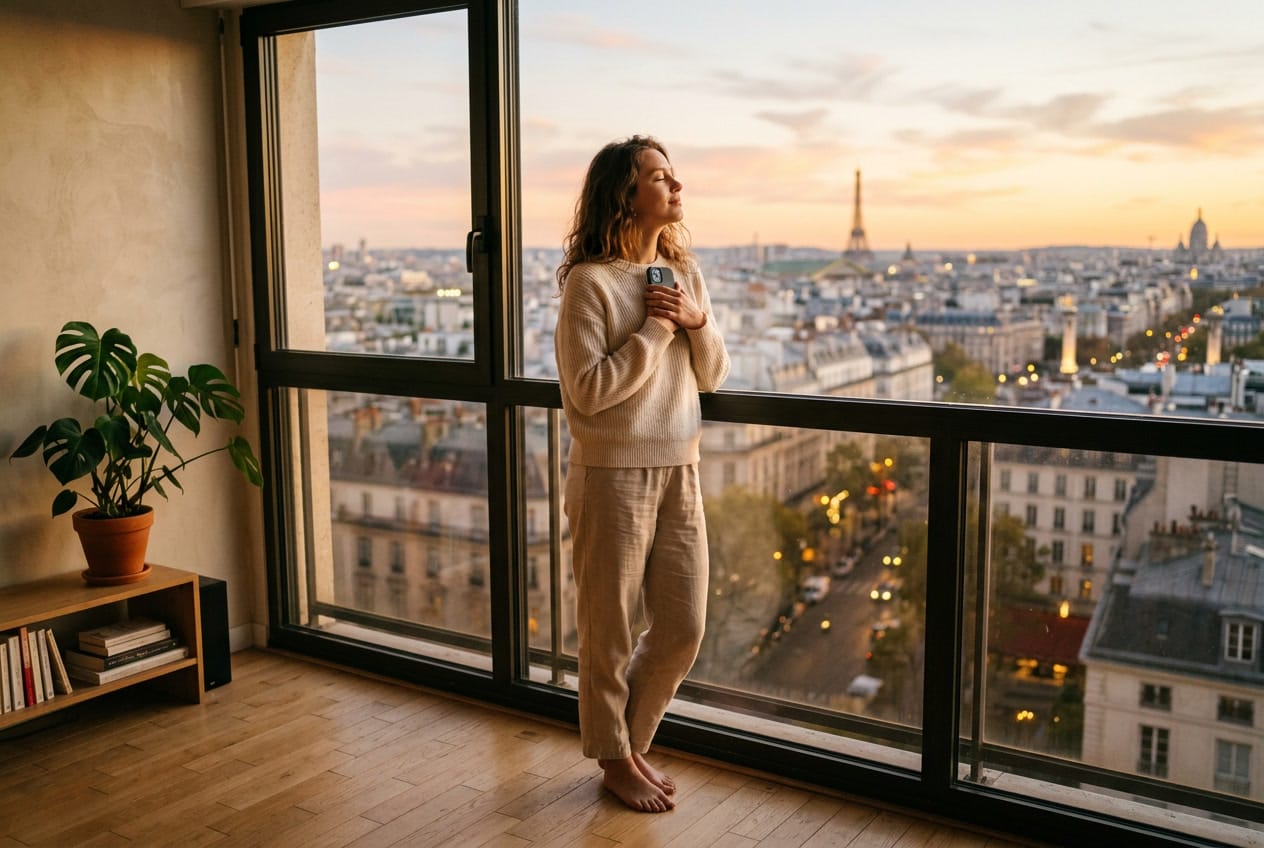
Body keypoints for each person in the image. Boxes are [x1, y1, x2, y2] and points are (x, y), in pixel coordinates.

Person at [554, 135, 730, 813]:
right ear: (626, 195)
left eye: (673, 175)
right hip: (610, 477)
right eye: (660, 177)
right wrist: (657, 335)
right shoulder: (589, 284)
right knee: (609, 633)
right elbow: (589, 392)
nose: (676, 187)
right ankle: (615, 759)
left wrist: (694, 322)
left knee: (684, 626)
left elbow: (712, 374)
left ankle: (627, 744)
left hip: (679, 469)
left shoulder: (685, 277)